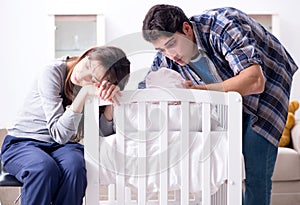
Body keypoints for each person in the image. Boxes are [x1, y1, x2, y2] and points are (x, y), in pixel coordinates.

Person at [140, 4, 298, 205]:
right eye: (161, 49)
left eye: (171, 44)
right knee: (223, 169)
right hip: (228, 97)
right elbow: (147, 88)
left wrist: (198, 92)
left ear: (187, 29)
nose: (169, 54)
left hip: (268, 85)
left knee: (256, 171)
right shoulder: (168, 56)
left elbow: (255, 81)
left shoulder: (222, 27)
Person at [0, 46, 130, 205]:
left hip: (64, 146)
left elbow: (101, 136)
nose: (82, 76)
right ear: (88, 54)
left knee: (75, 167)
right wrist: (83, 94)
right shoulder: (51, 72)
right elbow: (58, 134)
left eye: (93, 80)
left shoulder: (94, 90)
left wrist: (109, 101)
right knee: (43, 168)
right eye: (88, 65)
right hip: (23, 142)